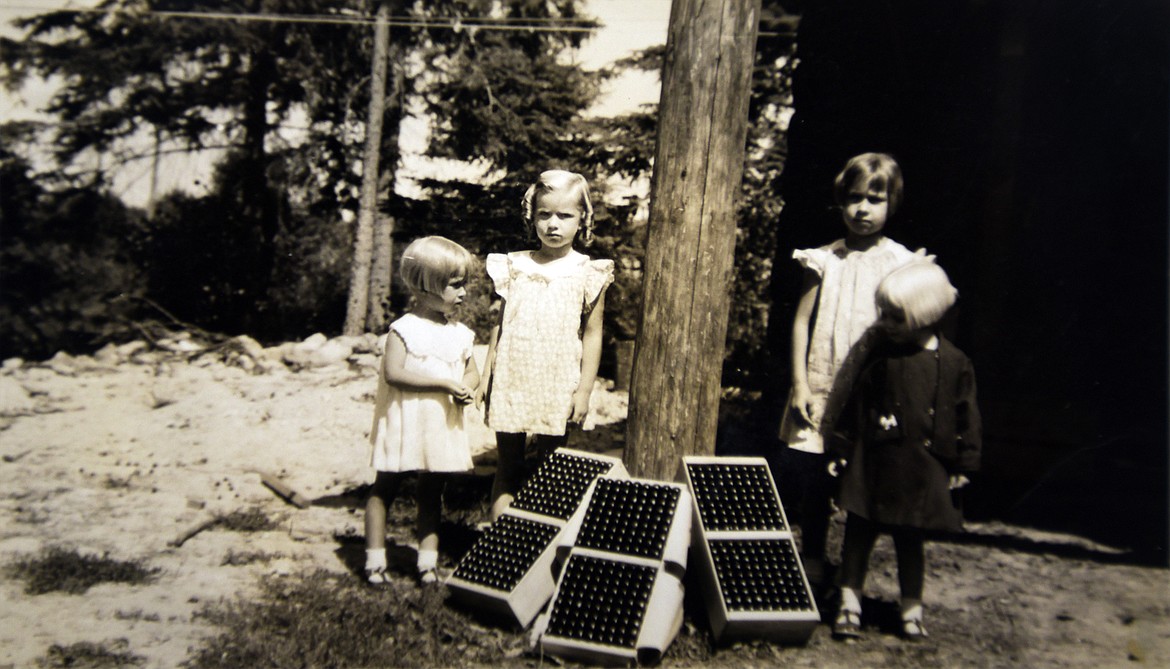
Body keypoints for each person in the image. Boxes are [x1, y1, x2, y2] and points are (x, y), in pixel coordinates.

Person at [778, 152, 925, 584]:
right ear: (841, 201)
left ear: (891, 204)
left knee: (867, 473)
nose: (863, 209)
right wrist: (800, 384)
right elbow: (802, 322)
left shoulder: (900, 263)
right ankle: (815, 557)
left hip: (871, 387)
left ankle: (854, 572)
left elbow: (916, 322)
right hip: (824, 380)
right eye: (855, 198)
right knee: (815, 476)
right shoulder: (823, 260)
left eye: (875, 199)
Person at [827, 261, 981, 641]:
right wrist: (842, 449)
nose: (885, 323)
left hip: (920, 468)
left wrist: (964, 462)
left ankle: (912, 609)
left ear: (926, 315)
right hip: (874, 462)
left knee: (911, 541)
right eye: (884, 315)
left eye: (895, 317)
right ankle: (849, 603)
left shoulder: (954, 363)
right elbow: (855, 405)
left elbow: (967, 416)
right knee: (858, 535)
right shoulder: (880, 357)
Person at [475, 170, 614, 521]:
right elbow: (500, 324)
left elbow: (593, 333)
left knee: (551, 468)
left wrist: (583, 391)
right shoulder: (515, 265)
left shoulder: (588, 271)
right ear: (531, 216)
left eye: (564, 216)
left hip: (558, 380)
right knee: (509, 465)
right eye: (544, 214)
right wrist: (488, 374)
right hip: (513, 377)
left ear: (582, 219)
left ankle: (541, 548)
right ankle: (498, 554)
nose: (553, 224)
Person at [364, 236, 479, 585]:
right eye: (455, 285)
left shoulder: (461, 333)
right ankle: (374, 561)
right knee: (386, 485)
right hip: (405, 419)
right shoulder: (404, 330)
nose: (463, 293)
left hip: (437, 422)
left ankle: (426, 563)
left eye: (464, 285)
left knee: (432, 490)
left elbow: (471, 369)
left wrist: (468, 387)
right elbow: (394, 373)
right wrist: (444, 385)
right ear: (428, 285)